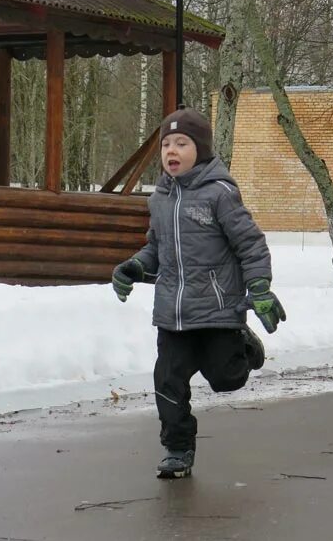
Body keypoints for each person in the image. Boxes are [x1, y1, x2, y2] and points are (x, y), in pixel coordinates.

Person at [111, 107, 286, 479]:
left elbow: (250, 244)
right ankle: (177, 449)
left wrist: (259, 288)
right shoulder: (159, 198)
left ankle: (243, 344)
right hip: (172, 315)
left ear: (201, 149)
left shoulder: (219, 194)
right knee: (167, 382)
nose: (171, 151)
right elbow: (156, 249)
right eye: (166, 144)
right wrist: (135, 267)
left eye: (182, 143)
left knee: (226, 379)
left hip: (218, 310)